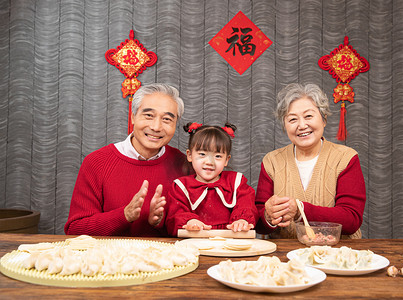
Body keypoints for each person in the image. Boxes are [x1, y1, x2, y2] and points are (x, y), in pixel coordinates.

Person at [64, 83, 191, 237]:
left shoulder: (186, 166)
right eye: (149, 115)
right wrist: (124, 215)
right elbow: (75, 230)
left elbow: (201, 227)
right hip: (109, 259)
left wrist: (160, 223)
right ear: (133, 117)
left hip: (166, 259)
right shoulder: (97, 162)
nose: (156, 127)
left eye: (166, 119)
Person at [255, 83, 366, 239]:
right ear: (285, 126)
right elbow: (259, 224)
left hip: (337, 257)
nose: (302, 125)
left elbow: (351, 219)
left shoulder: (346, 158)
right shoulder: (272, 161)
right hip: (285, 259)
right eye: (292, 119)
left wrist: (300, 211)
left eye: (308, 116)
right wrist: (268, 216)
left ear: (324, 119)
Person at [165, 122, 258, 236]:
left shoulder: (236, 182)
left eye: (218, 156)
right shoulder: (181, 187)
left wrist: (242, 220)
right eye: (202, 154)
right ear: (189, 155)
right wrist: (189, 221)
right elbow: (176, 214)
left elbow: (246, 204)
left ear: (226, 160)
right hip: (195, 242)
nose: (209, 162)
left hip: (230, 242)